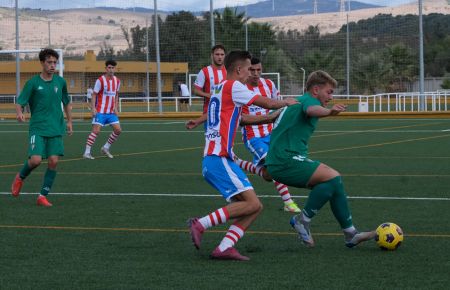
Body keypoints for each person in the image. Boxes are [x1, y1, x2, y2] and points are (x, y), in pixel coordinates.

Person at [187, 50, 298, 261]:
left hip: (217, 158)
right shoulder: (234, 86)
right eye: (248, 69)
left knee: (254, 208)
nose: (250, 74)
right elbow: (267, 102)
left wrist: (270, 118)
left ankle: (225, 247)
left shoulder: (220, 88)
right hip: (218, 157)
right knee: (253, 204)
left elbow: (242, 119)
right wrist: (287, 103)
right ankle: (200, 224)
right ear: (238, 69)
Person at [264, 70, 375, 248]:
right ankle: (302, 220)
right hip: (285, 159)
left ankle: (350, 234)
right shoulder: (308, 100)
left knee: (334, 184)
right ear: (316, 90)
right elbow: (311, 110)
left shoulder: (298, 100)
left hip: (282, 160)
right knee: (332, 176)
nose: (331, 96)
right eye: (329, 92)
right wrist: (329, 112)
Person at [235, 57, 301, 213]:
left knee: (267, 175)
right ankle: (288, 202)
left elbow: (277, 105)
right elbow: (241, 120)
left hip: (272, 134)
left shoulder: (269, 85)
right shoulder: (239, 89)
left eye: (259, 70)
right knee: (275, 165)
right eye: (252, 70)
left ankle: (239, 162)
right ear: (246, 70)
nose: (256, 74)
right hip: (253, 137)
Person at [11, 48, 73, 207]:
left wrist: (69, 121)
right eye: (49, 62)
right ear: (42, 63)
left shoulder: (61, 82)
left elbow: (66, 102)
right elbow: (20, 102)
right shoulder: (33, 83)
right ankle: (20, 177)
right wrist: (19, 113)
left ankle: (42, 196)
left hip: (56, 127)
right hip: (38, 128)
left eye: (54, 62)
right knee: (36, 160)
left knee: (53, 161)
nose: (52, 65)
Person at [83, 59, 122, 159]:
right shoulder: (100, 80)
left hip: (111, 112)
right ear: (106, 68)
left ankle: (105, 148)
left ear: (115, 69)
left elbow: (116, 94)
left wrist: (116, 107)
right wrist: (93, 108)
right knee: (96, 131)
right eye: (109, 67)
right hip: (100, 111)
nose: (111, 70)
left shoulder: (117, 81)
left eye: (113, 68)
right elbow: (94, 94)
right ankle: (87, 152)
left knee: (118, 130)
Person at [193, 44, 227, 114]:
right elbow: (196, 91)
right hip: (209, 113)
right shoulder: (204, 71)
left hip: (226, 112)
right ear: (212, 56)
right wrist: (208, 95)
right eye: (217, 54)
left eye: (222, 54)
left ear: (225, 56)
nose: (220, 57)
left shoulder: (229, 71)